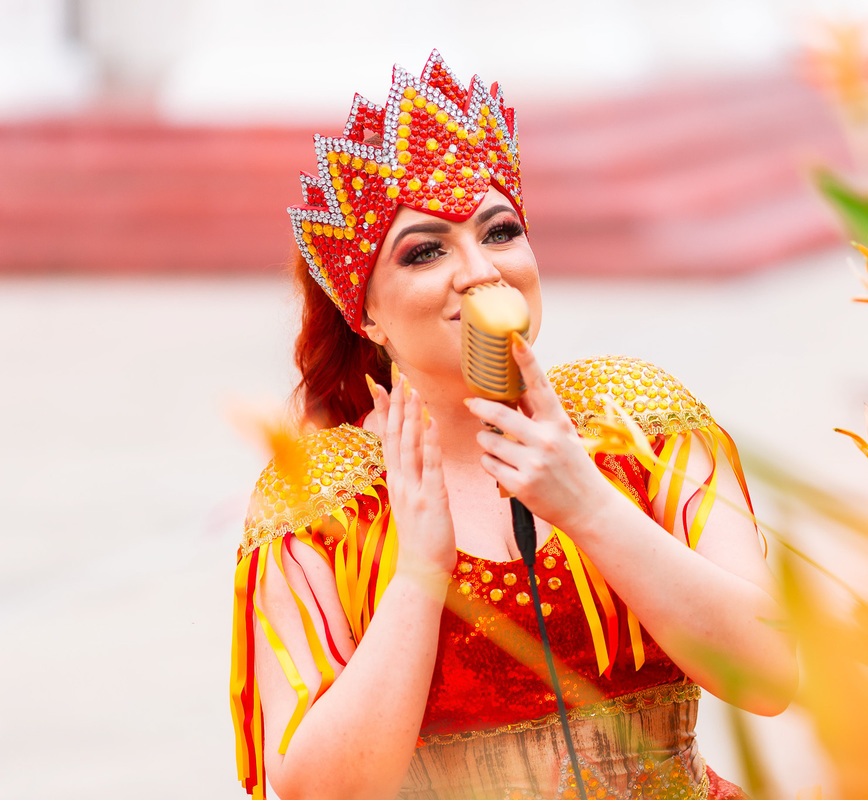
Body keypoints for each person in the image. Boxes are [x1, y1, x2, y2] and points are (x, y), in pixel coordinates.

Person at [230, 51, 797, 800]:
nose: (481, 270)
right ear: (366, 311)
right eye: (426, 251)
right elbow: (313, 791)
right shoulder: (325, 500)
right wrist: (419, 576)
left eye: (499, 232)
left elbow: (769, 674)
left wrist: (588, 505)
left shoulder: (639, 423)